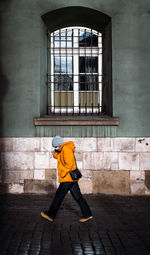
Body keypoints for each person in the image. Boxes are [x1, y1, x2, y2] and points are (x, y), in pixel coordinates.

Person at [41, 136, 93, 223]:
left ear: (59, 144)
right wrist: (56, 150)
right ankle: (87, 214)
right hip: (70, 179)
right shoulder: (62, 150)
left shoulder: (66, 150)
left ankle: (50, 215)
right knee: (78, 196)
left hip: (67, 178)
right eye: (54, 147)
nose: (55, 148)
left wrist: (62, 173)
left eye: (55, 146)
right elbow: (55, 156)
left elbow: (69, 165)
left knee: (59, 196)